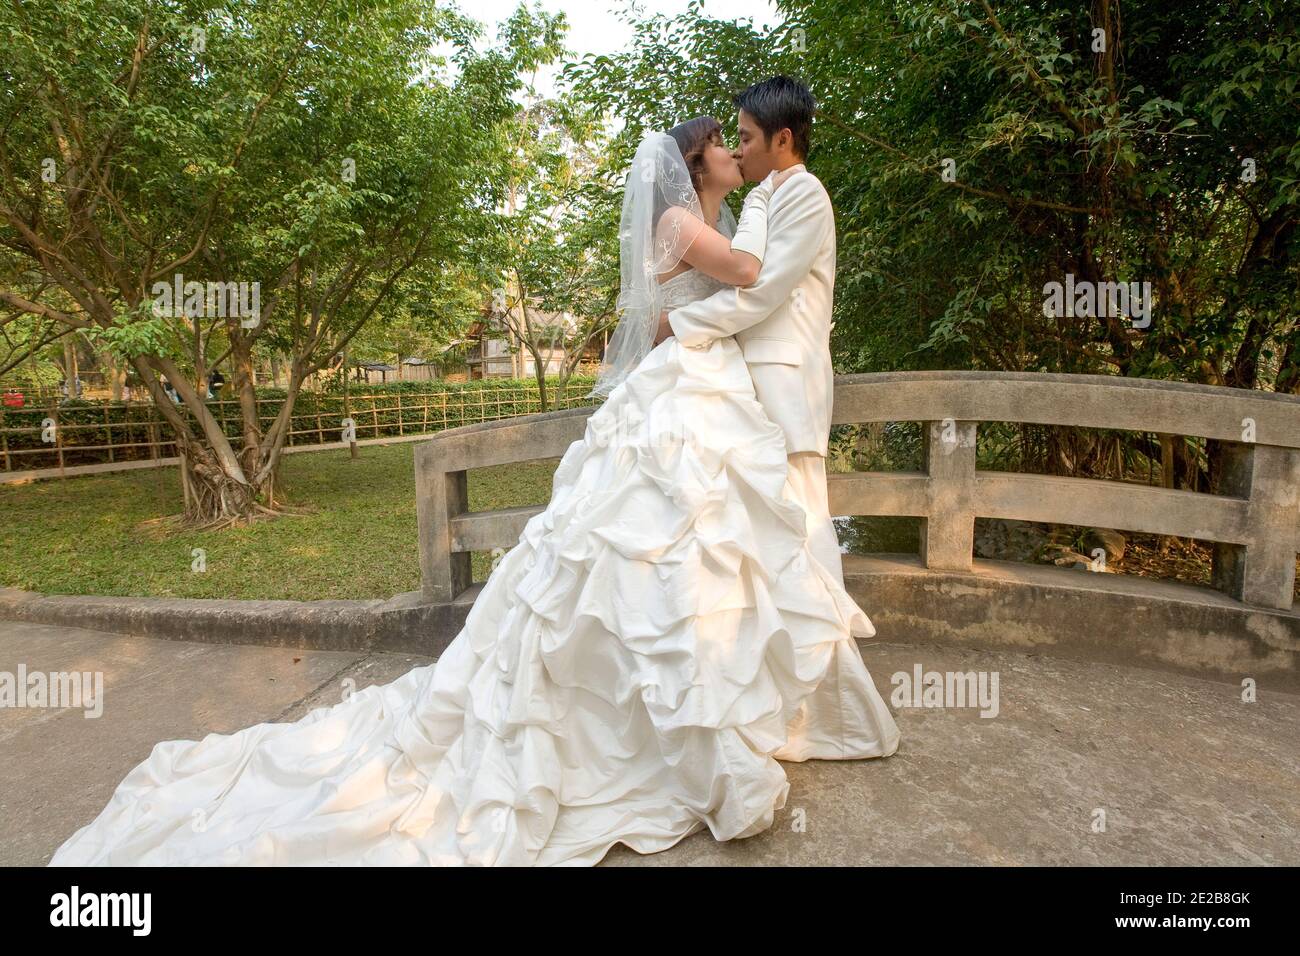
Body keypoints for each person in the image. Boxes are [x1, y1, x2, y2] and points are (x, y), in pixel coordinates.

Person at [47, 102, 899, 868]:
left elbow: (744, 283)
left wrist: (694, 311)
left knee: (702, 546)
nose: (733, 151)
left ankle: (727, 705)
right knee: (657, 543)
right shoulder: (690, 221)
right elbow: (750, 278)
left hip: (711, 388)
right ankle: (664, 723)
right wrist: (692, 313)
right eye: (723, 143)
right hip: (684, 388)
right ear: (692, 161)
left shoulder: (745, 208)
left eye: (739, 140)